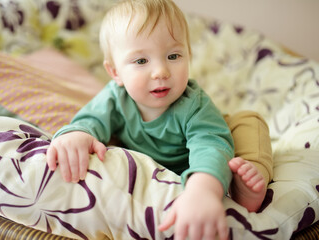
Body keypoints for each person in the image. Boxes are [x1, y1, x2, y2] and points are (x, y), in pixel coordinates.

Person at [46, 0, 273, 239]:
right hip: (153, 170)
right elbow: (90, 120)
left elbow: (210, 145)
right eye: (141, 61)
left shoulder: (193, 104)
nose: (161, 72)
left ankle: (246, 186)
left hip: (209, 148)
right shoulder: (115, 98)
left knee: (248, 123)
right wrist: (77, 135)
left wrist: (203, 189)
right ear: (115, 73)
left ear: (189, 56)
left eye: (173, 56)